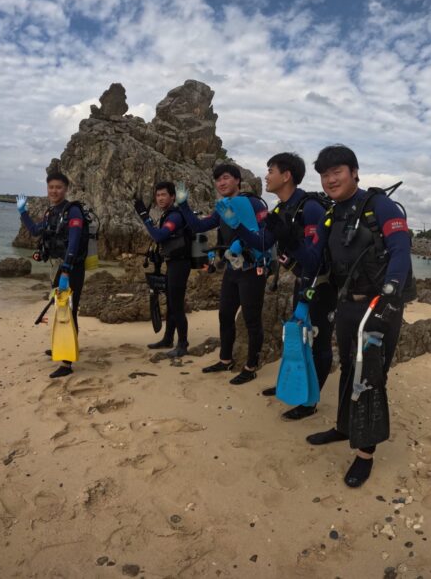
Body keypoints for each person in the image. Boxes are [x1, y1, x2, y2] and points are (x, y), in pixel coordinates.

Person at [294, 145, 412, 488]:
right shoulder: (332, 214)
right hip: (347, 304)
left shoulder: (379, 206)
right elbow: (316, 258)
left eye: (337, 172)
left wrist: (390, 295)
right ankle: (344, 427)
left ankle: (364, 455)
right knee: (348, 367)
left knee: (370, 374)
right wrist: (290, 248)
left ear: (354, 172)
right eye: (325, 174)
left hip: (379, 305)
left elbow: (401, 251)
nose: (330, 179)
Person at [219, 152, 335, 420]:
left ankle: (310, 401)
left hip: (321, 284)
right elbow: (261, 243)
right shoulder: (282, 210)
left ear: (287, 176)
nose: (266, 176)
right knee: (296, 336)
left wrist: (289, 241)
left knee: (317, 342)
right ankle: (292, 383)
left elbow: (315, 260)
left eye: (270, 170)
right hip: (302, 281)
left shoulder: (311, 209)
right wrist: (235, 224)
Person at [176, 163, 268, 385]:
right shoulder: (222, 208)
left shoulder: (252, 203)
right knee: (225, 316)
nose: (222, 183)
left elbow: (264, 234)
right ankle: (225, 360)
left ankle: (250, 367)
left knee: (251, 320)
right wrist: (183, 204)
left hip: (252, 269)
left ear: (237, 180)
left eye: (226, 178)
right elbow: (198, 227)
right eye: (218, 180)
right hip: (232, 269)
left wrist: (240, 244)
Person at [17, 171, 88, 378]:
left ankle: (66, 363)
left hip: (71, 268)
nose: (54, 191)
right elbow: (35, 231)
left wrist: (66, 270)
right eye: (51, 187)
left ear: (66, 189)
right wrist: (23, 212)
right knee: (60, 309)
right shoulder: (51, 212)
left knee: (68, 311)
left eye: (58, 187)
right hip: (57, 268)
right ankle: (62, 346)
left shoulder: (72, 211)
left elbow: (74, 242)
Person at [133, 181, 193, 358]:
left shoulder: (174, 216)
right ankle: (168, 339)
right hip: (173, 263)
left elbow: (159, 236)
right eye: (157, 195)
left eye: (163, 195)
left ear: (173, 196)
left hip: (181, 264)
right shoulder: (168, 214)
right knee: (172, 304)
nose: (160, 198)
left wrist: (145, 217)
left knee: (177, 305)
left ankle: (182, 343)